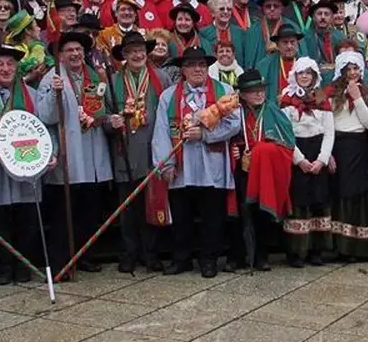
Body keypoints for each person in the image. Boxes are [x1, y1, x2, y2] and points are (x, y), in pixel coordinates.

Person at [152, 47, 242, 277]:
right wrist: (166, 164)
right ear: (183, 69)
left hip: (212, 162)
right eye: (192, 65)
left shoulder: (224, 91)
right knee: (181, 215)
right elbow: (161, 131)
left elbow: (234, 124)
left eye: (202, 64)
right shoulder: (169, 96)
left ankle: (209, 259)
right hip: (182, 166)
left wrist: (205, 135)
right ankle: (182, 258)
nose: (198, 69)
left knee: (212, 215)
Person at [0, 43, 54, 284]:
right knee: (0, 219)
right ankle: (4, 266)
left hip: (26, 164)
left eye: (10, 63)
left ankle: (24, 265)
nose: (5, 68)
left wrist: (51, 153)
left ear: (17, 67)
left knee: (27, 218)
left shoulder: (33, 95)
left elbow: (46, 129)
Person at [38, 32, 114, 276]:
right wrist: (54, 94)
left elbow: (104, 110)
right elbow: (46, 117)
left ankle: (86, 255)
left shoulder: (95, 77)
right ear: (59, 55)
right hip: (68, 154)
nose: (75, 54)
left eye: (78, 49)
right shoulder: (52, 79)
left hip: (93, 151)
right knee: (64, 214)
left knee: (89, 211)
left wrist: (105, 118)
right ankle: (63, 261)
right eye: (69, 50)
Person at [105, 32, 172, 273]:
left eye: (141, 49)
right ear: (124, 54)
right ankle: (129, 253)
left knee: (152, 205)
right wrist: (109, 122)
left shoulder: (161, 79)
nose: (137, 54)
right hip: (124, 152)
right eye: (131, 50)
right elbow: (103, 115)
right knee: (127, 210)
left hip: (152, 151)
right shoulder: (112, 81)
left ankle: (151, 253)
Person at [227, 68, 295, 271]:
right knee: (238, 212)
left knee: (261, 211)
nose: (259, 94)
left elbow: (287, 142)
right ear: (242, 94)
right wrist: (236, 149)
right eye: (253, 91)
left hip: (265, 170)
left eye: (261, 90)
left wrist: (259, 151)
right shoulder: (234, 112)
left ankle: (261, 256)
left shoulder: (273, 111)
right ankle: (237, 256)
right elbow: (227, 138)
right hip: (240, 169)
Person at [322, 52, 368, 260]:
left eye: (356, 68)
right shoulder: (329, 93)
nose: (353, 72)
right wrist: (328, 153)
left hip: (359, 145)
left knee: (359, 193)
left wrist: (357, 98)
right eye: (349, 69)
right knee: (340, 193)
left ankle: (360, 246)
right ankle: (341, 246)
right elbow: (326, 123)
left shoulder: (367, 92)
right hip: (338, 145)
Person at [279, 58, 336, 267]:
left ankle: (316, 250)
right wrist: (300, 160)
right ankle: (296, 251)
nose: (304, 76)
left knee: (319, 201)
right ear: (295, 75)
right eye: (301, 73)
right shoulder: (287, 98)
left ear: (314, 76)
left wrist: (322, 159)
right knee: (299, 202)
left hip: (318, 150)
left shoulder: (320, 97)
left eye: (308, 73)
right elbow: (285, 133)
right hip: (297, 152)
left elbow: (329, 131)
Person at [199, 0, 253, 69]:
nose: (226, 12)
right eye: (221, 9)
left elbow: (246, 59)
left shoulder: (241, 33)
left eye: (229, 9)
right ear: (212, 13)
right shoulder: (203, 33)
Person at [301, 0, 345, 84]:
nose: (323, 17)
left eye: (326, 14)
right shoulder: (305, 37)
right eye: (319, 14)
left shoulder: (339, 36)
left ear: (332, 17)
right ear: (313, 17)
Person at [256, 24, 303, 102]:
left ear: (297, 43)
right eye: (285, 42)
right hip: (275, 109)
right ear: (277, 45)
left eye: (292, 42)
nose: (289, 46)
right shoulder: (264, 65)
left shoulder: (306, 64)